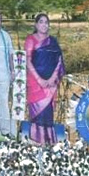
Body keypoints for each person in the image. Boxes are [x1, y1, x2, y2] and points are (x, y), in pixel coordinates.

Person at [25, 13, 64, 145]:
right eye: (41, 22)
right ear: (36, 25)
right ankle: (36, 140)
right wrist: (39, 80)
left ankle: (48, 140)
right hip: (35, 83)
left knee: (48, 112)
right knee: (37, 112)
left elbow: (59, 60)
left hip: (51, 84)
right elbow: (28, 61)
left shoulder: (53, 41)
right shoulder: (30, 40)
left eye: (46, 22)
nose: (44, 25)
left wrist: (52, 77)